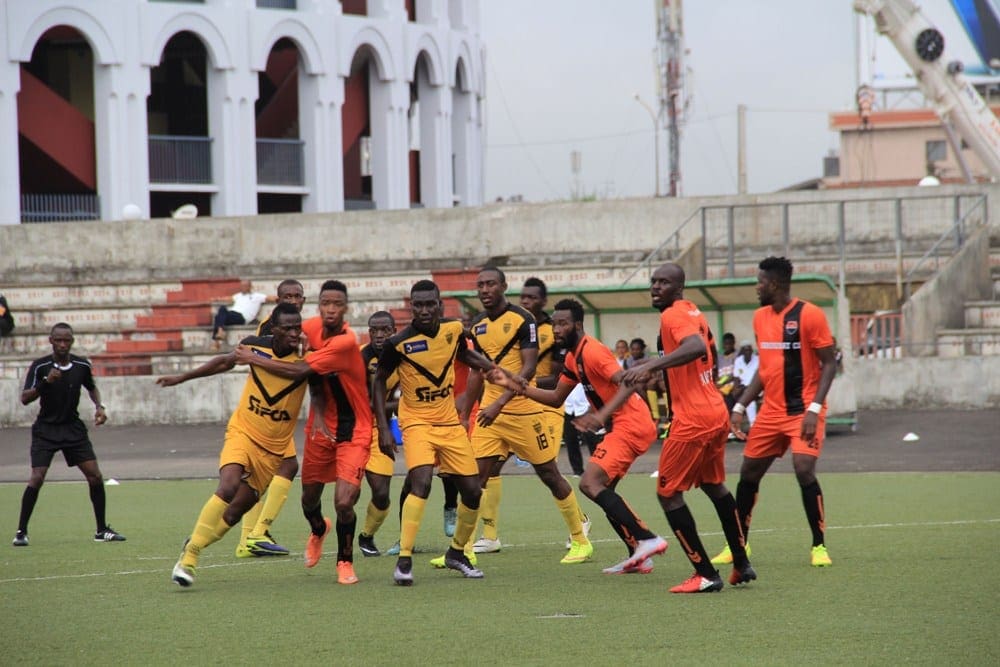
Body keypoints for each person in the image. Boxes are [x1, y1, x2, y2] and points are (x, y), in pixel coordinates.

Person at [489, 298, 661, 575]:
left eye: (563, 323)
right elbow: (556, 398)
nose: (556, 329)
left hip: (631, 423)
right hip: (624, 425)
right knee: (605, 491)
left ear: (578, 325)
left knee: (590, 483)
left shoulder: (593, 352)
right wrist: (513, 384)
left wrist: (601, 416)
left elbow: (631, 381)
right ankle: (639, 556)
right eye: (554, 323)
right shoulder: (572, 357)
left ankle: (647, 539)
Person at [621, 262, 755, 593]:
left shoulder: (672, 315)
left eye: (663, 283)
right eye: (653, 282)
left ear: (678, 288)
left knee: (668, 493)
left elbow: (694, 347)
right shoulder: (692, 309)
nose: (655, 287)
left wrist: (652, 364)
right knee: (714, 486)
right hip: (714, 412)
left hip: (694, 420)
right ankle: (741, 562)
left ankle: (706, 574)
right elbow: (697, 353)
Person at [233, 280, 373, 585]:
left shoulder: (346, 342)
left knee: (344, 502)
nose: (331, 309)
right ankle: (318, 529)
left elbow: (299, 370)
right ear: (319, 305)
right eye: (326, 303)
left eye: (337, 304)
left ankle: (345, 561)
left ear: (346, 308)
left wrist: (252, 358)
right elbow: (279, 341)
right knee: (309, 500)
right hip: (320, 429)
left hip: (355, 429)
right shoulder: (307, 328)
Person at [163, 303, 306, 586]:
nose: (293, 333)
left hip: (273, 450)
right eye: (287, 328)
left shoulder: (307, 357)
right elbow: (225, 362)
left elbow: (302, 375)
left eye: (297, 328)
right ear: (273, 328)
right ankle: (189, 558)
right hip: (243, 431)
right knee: (228, 485)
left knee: (234, 513)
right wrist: (184, 376)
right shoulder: (254, 345)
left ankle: (196, 542)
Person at [460, 267, 593, 565]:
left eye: (491, 284)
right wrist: (467, 412)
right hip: (489, 416)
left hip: (523, 411)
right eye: (480, 284)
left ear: (503, 286)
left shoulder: (523, 320)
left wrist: (500, 403)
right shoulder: (478, 324)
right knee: (474, 479)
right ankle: (463, 549)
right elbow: (476, 371)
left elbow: (528, 369)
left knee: (549, 475)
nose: (484, 289)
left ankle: (581, 540)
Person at [714, 256, 838, 568]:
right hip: (771, 411)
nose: (756, 287)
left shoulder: (810, 315)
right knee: (748, 473)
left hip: (803, 410)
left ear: (776, 284)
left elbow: (830, 363)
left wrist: (813, 408)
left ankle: (818, 546)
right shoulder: (759, 318)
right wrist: (741, 405)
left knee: (803, 468)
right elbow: (765, 369)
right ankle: (739, 545)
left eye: (760, 282)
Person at [373, 280, 497, 585]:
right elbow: (378, 383)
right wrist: (382, 429)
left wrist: (492, 368)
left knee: (472, 491)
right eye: (419, 305)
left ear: (439, 304)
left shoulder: (453, 330)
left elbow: (465, 356)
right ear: (411, 307)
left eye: (431, 304)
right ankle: (404, 559)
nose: (425, 310)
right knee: (423, 481)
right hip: (416, 423)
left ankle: (457, 553)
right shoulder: (397, 343)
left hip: (449, 423)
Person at [13, 323, 124, 547]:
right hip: (46, 429)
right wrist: (46, 382)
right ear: (51, 341)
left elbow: (91, 387)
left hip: (72, 428)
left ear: (72, 341)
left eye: (67, 340)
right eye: (58, 340)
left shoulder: (81, 365)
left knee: (94, 475)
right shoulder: (40, 366)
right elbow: (25, 398)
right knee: (37, 477)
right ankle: (21, 531)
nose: (63, 344)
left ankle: (101, 530)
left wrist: (99, 407)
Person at [228, 278, 308, 558]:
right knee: (285, 468)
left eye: (297, 296)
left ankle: (249, 538)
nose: (293, 300)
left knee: (277, 470)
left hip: (277, 415)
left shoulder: (296, 329)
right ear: (278, 298)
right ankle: (255, 534)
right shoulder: (272, 327)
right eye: (288, 295)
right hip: (265, 417)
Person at [357, 311, 401, 557]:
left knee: (382, 493)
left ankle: (366, 536)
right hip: (354, 430)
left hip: (379, 428)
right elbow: (366, 403)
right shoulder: (361, 357)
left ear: (394, 330)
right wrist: (396, 406)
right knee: (348, 495)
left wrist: (390, 425)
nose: (379, 335)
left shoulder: (402, 356)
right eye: (374, 330)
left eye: (385, 330)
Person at [212, 280, 276, 349]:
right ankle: (219, 335)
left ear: (250, 287)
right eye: (242, 286)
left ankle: (217, 338)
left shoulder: (257, 296)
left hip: (242, 317)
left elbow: (270, 298)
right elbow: (228, 298)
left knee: (220, 313)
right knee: (220, 313)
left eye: (245, 286)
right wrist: (217, 299)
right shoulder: (238, 295)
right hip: (232, 315)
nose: (243, 287)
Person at [562, 383, 603, 476]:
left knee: (592, 440)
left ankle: (598, 469)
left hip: (585, 407)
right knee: (570, 440)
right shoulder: (566, 372)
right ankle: (577, 471)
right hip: (568, 407)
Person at [731, 340, 759, 427]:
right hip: (743, 388)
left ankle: (753, 425)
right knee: (730, 397)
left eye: (749, 350)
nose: (748, 352)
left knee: (749, 399)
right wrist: (735, 390)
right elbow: (736, 378)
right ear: (742, 351)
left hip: (756, 388)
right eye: (746, 350)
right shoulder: (738, 361)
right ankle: (733, 428)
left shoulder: (758, 360)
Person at [715, 333, 738, 409]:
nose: (728, 346)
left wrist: (722, 382)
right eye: (726, 344)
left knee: (727, 398)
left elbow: (735, 374)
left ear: (733, 343)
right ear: (723, 345)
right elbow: (716, 373)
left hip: (731, 385)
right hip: (721, 385)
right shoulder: (719, 357)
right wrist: (718, 383)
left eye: (730, 344)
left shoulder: (737, 355)